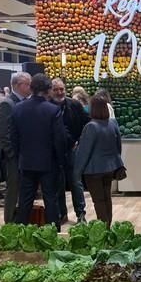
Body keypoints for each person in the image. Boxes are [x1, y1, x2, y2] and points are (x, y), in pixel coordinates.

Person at [11, 74, 67, 230]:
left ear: (31, 88)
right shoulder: (53, 110)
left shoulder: (18, 109)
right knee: (50, 199)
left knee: (25, 200)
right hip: (49, 163)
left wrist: (19, 157)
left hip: (26, 161)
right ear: (48, 89)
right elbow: (59, 139)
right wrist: (61, 161)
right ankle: (53, 232)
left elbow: (13, 138)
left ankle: (20, 232)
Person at [74, 95, 124, 226]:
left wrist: (76, 173)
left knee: (99, 200)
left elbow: (84, 152)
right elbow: (118, 146)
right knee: (107, 198)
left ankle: (103, 227)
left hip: (94, 170)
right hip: (110, 168)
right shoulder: (113, 123)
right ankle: (108, 225)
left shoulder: (91, 126)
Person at [51, 78, 90, 224]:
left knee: (75, 182)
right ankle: (62, 214)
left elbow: (87, 122)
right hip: (54, 152)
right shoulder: (47, 106)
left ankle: (81, 214)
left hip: (73, 149)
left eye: (61, 89)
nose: (59, 92)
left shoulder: (74, 105)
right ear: (50, 90)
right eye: (56, 89)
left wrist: (80, 141)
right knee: (58, 184)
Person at [0, 71, 31, 223]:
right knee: (13, 190)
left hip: (24, 155)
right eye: (27, 84)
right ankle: (9, 221)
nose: (30, 87)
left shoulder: (24, 103)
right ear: (17, 85)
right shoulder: (7, 103)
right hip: (14, 157)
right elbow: (2, 132)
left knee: (23, 190)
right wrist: (11, 154)